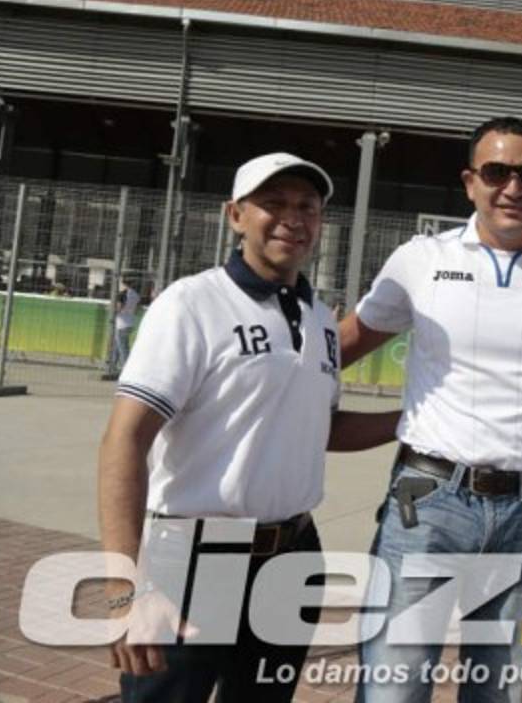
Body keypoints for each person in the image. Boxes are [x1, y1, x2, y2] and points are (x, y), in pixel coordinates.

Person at [338, 116, 522, 703]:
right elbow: (340, 347)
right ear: (470, 182)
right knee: (394, 688)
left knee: (497, 692)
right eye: (497, 172)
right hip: (426, 502)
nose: (514, 187)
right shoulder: (420, 259)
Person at [99, 152, 401, 703]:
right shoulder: (192, 304)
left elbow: (320, 428)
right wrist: (126, 587)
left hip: (292, 552)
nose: (292, 218)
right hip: (195, 556)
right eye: (273, 203)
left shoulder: (318, 319)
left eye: (306, 206)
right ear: (235, 215)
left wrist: (412, 422)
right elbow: (126, 438)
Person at [110, 278, 141, 371]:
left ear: (123, 283)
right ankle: (112, 365)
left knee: (123, 348)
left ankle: (126, 368)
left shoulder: (122, 294)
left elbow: (118, 308)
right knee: (117, 345)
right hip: (130, 322)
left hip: (121, 324)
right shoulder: (135, 294)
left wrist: (110, 309)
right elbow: (136, 310)